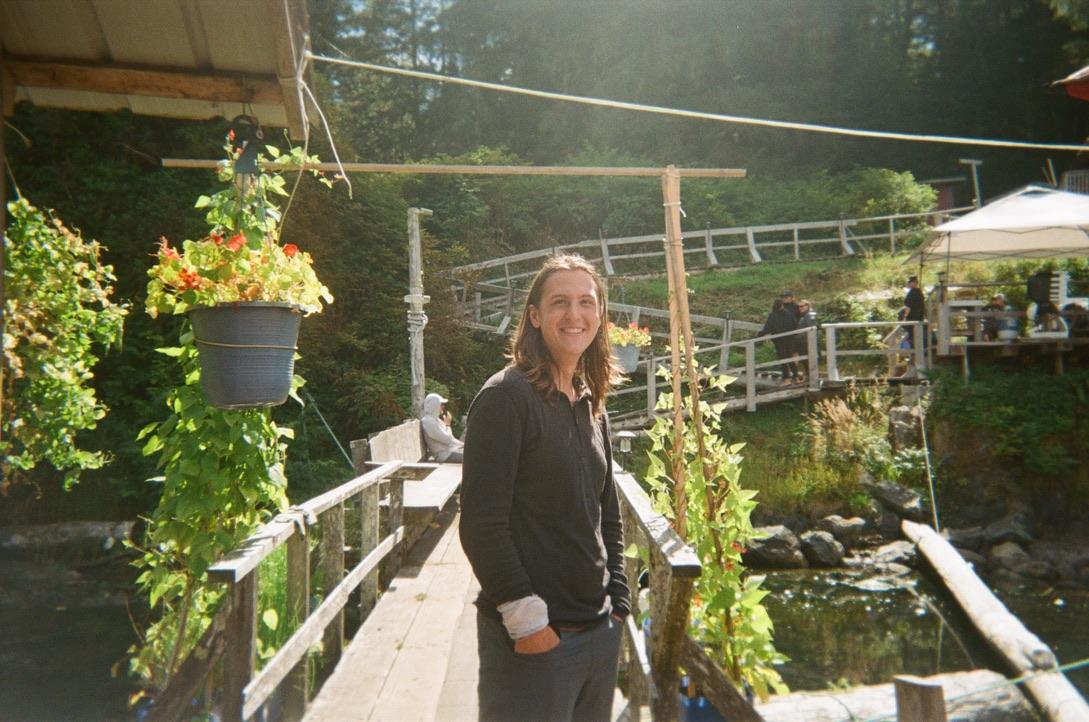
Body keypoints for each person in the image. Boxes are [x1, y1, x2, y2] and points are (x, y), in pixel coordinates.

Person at [459, 254, 630, 722]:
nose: (574, 315)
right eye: (559, 302)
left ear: (600, 314)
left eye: (586, 302)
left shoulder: (591, 401)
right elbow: (480, 524)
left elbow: (606, 514)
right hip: (533, 645)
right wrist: (529, 623)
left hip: (598, 632)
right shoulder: (505, 398)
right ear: (534, 315)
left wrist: (619, 600)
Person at [760, 298, 799, 384]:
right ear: (782, 305)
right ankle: (795, 376)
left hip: (779, 341)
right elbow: (795, 325)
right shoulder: (789, 314)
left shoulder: (772, 315)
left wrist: (760, 335)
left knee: (783, 359)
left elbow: (767, 328)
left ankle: (787, 378)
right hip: (790, 339)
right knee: (790, 358)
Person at [420, 392, 464, 463]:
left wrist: (463, 445)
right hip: (443, 455)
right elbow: (448, 439)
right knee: (473, 458)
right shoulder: (428, 421)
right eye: (441, 404)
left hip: (449, 451)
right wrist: (448, 425)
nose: (443, 407)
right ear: (434, 405)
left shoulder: (435, 419)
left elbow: (451, 439)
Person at [792, 299, 817, 381]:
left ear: (807, 306)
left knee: (807, 360)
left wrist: (808, 341)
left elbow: (811, 328)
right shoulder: (804, 315)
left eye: (802, 306)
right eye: (799, 306)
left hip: (807, 342)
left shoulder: (810, 314)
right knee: (803, 359)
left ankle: (811, 378)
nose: (800, 308)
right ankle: (806, 377)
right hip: (801, 342)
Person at [901, 276, 925, 348]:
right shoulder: (919, 292)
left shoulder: (912, 293)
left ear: (914, 283)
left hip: (913, 319)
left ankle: (910, 349)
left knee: (911, 335)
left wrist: (905, 317)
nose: (908, 284)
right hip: (919, 318)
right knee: (915, 335)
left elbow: (908, 307)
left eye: (909, 282)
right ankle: (914, 349)